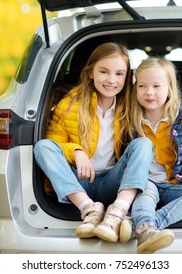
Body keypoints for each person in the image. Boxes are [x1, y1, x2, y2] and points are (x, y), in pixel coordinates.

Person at [33, 42, 154, 243]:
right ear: (90, 73)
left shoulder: (130, 105)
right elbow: (53, 144)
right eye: (104, 72)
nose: (111, 80)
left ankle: (117, 212)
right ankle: (89, 210)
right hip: (78, 183)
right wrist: (77, 152)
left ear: (127, 77)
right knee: (42, 147)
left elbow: (162, 102)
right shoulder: (69, 104)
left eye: (119, 74)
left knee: (143, 144)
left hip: (111, 182)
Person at [120, 57, 182, 254]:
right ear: (134, 89)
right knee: (144, 195)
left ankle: (147, 225)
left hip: (175, 183)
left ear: (170, 88)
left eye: (156, 86)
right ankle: (146, 227)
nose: (149, 92)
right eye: (141, 85)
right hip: (145, 183)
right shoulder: (130, 119)